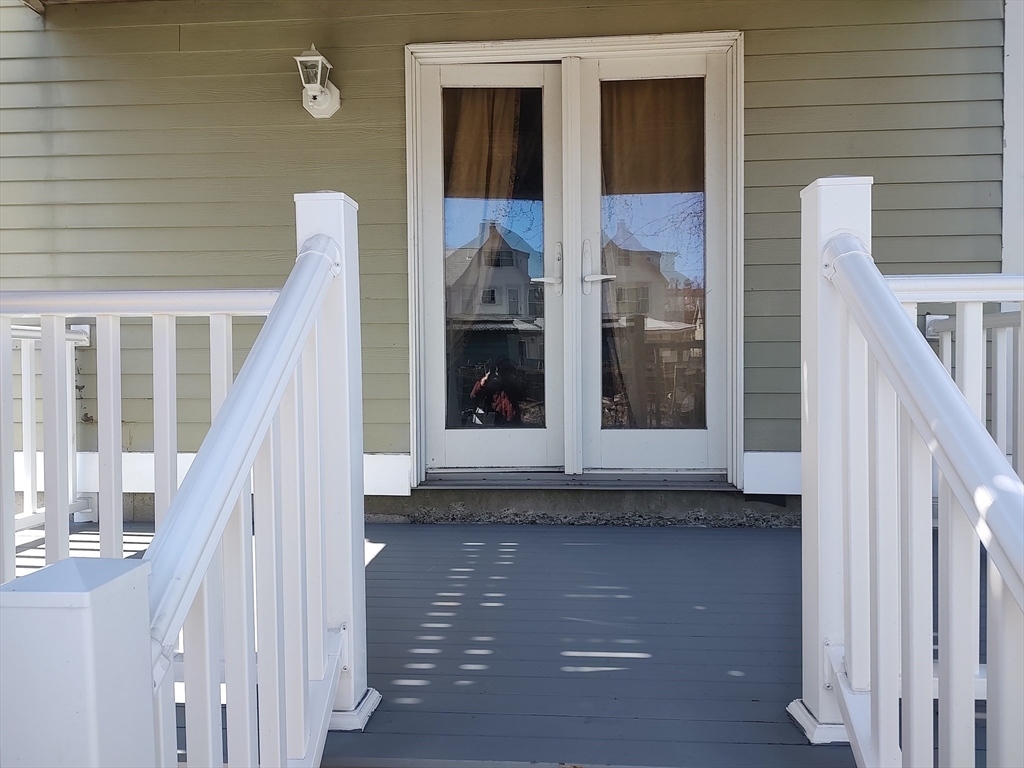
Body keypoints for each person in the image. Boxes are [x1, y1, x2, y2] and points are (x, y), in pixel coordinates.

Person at [469, 357, 523, 425]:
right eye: (500, 370)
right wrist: (484, 381)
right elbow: (473, 396)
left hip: (513, 424)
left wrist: (516, 381)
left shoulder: (514, 385)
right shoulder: (491, 385)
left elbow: (523, 397)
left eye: (506, 370)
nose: (503, 373)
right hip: (494, 424)